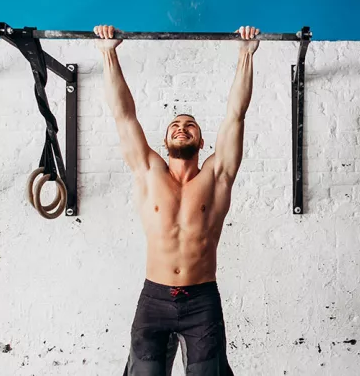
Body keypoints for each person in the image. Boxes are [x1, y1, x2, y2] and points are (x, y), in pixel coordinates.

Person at [94, 24, 260, 376]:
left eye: (191, 126)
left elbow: (235, 115)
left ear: (202, 143)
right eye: (175, 125)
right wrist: (108, 53)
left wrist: (246, 55)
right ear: (165, 140)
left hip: (201, 300)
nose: (182, 127)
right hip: (154, 298)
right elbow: (124, 117)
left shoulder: (217, 176)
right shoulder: (148, 171)